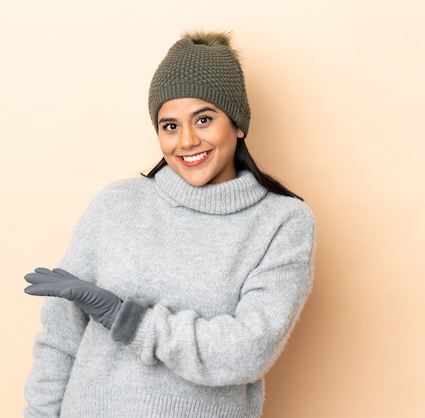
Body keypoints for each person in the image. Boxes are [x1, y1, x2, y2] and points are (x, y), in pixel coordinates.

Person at [22, 30, 315, 418]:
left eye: (204, 119)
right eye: (170, 126)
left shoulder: (282, 222)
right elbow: (60, 339)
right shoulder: (116, 204)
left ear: (238, 124)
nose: (187, 141)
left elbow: (247, 350)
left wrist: (126, 319)